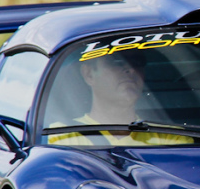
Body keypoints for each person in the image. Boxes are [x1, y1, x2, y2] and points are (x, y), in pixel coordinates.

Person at [49, 52, 190, 147]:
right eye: (117, 61)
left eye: (137, 62)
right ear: (89, 74)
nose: (131, 69)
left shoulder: (173, 138)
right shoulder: (61, 137)